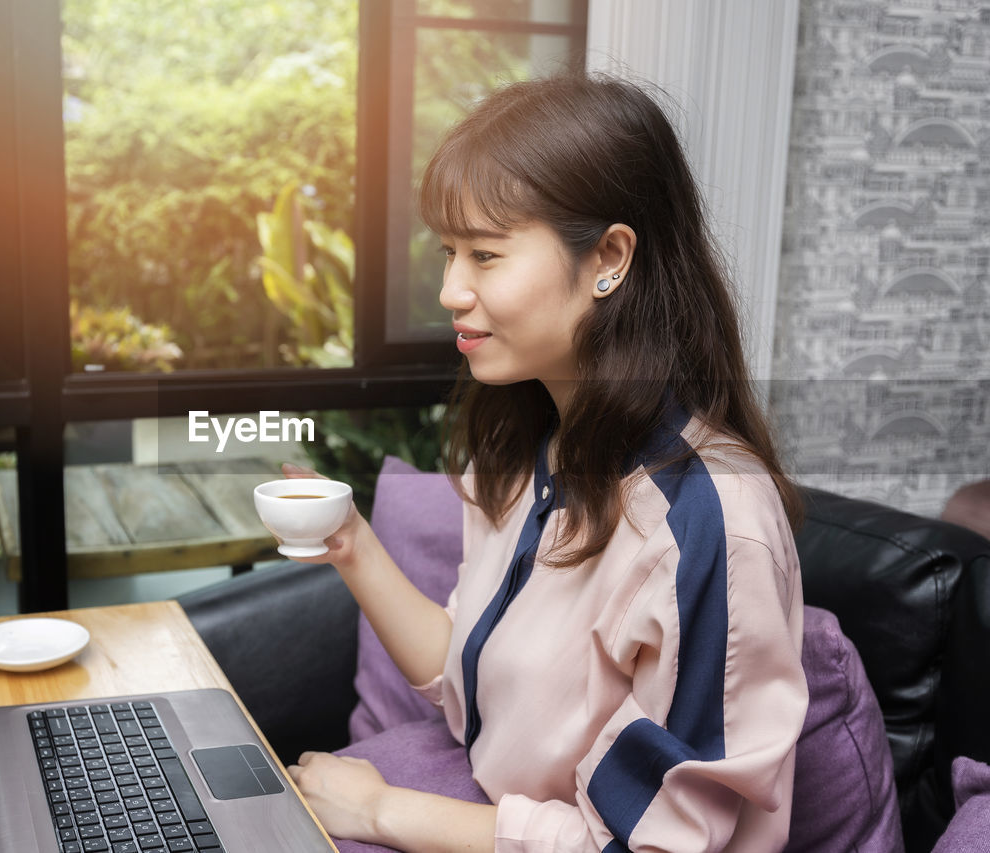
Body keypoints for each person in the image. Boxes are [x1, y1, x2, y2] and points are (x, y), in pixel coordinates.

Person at [282, 73, 808, 853]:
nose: (452, 289)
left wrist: (384, 810)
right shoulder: (541, 445)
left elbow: (653, 847)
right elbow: (471, 682)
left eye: (486, 255)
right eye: (449, 252)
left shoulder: (710, 523)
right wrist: (351, 541)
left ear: (610, 257)